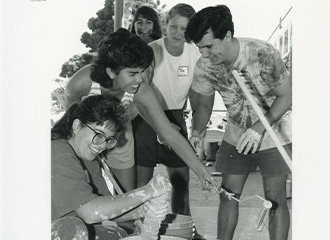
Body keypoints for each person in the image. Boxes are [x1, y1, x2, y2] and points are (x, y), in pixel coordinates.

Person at [64, 28, 218, 195]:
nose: (140, 79)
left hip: (120, 137)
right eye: (132, 73)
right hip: (85, 138)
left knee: (126, 198)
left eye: (142, 71)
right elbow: (69, 125)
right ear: (111, 72)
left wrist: (202, 172)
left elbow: (170, 135)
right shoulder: (80, 83)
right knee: (83, 192)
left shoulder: (141, 91)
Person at [185, 5, 292, 240]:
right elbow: (203, 104)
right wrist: (197, 132)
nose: (204, 54)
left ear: (227, 36)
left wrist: (258, 128)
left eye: (209, 46)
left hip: (274, 134)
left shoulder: (262, 54)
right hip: (236, 135)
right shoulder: (205, 65)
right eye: (199, 48)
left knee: (274, 198)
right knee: (228, 194)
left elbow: (287, 96)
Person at [51, 94, 172, 239]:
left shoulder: (88, 158)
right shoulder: (58, 153)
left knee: (117, 234)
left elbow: (107, 209)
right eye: (99, 135)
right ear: (77, 126)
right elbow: (91, 212)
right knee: (73, 228)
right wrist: (146, 191)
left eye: (109, 140)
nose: (102, 145)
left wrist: (143, 209)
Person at [133, 3, 204, 239]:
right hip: (145, 117)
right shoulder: (150, 51)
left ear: (191, 30)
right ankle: (135, 232)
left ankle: (188, 233)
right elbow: (140, 93)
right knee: (140, 187)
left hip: (176, 118)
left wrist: (197, 131)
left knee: (181, 184)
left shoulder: (196, 55)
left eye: (184, 29)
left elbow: (199, 97)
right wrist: (159, 127)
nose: (176, 32)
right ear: (166, 24)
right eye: (173, 26)